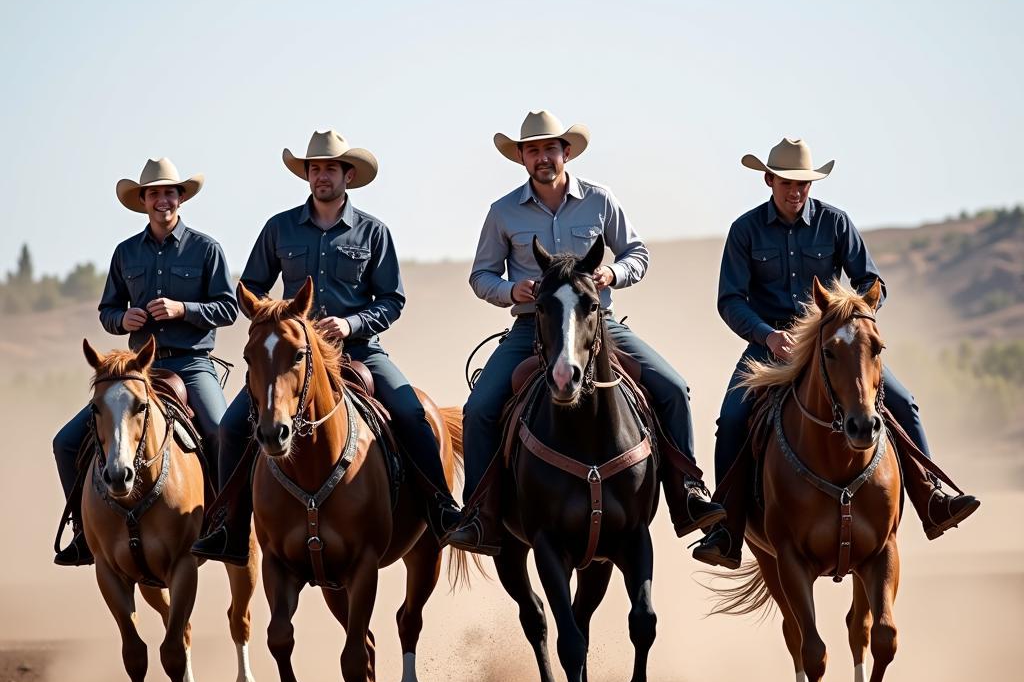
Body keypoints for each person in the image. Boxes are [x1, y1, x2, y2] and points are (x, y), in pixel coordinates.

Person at [443, 109, 724, 556]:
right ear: (521, 158)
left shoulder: (600, 199)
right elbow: (481, 276)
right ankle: (481, 516)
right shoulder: (502, 213)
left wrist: (612, 274)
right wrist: (511, 288)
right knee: (479, 408)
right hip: (530, 329)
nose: (542, 158)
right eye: (532, 150)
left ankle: (686, 495)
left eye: (549, 148)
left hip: (598, 326)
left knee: (673, 387)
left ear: (566, 152)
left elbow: (637, 253)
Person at [692, 137, 980, 569]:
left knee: (904, 403)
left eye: (804, 183)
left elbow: (871, 283)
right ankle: (727, 529)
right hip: (772, 348)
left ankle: (931, 497)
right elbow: (730, 300)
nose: (796, 191)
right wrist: (768, 335)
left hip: (837, 346)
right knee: (731, 419)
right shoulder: (745, 230)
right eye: (788, 182)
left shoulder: (836, 223)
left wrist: (853, 319)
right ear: (769, 180)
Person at [192, 129, 464, 562]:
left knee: (414, 414)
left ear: (348, 175)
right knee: (230, 428)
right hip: (291, 358)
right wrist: (278, 320)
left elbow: (393, 300)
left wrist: (351, 322)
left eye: (330, 169)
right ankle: (230, 527)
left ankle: (442, 510)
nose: (321, 176)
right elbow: (253, 289)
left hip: (359, 351)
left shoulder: (374, 232)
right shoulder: (278, 228)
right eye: (314, 169)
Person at [52, 158, 237, 566]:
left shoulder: (207, 249)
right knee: (65, 442)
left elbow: (228, 308)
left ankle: (229, 525)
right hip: (137, 370)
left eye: (169, 192)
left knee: (224, 435)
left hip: (192, 363)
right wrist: (123, 319)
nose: (162, 200)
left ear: (181, 198)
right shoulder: (126, 252)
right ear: (143, 201)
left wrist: (182, 309)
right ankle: (84, 532)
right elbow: (108, 310)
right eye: (153, 193)